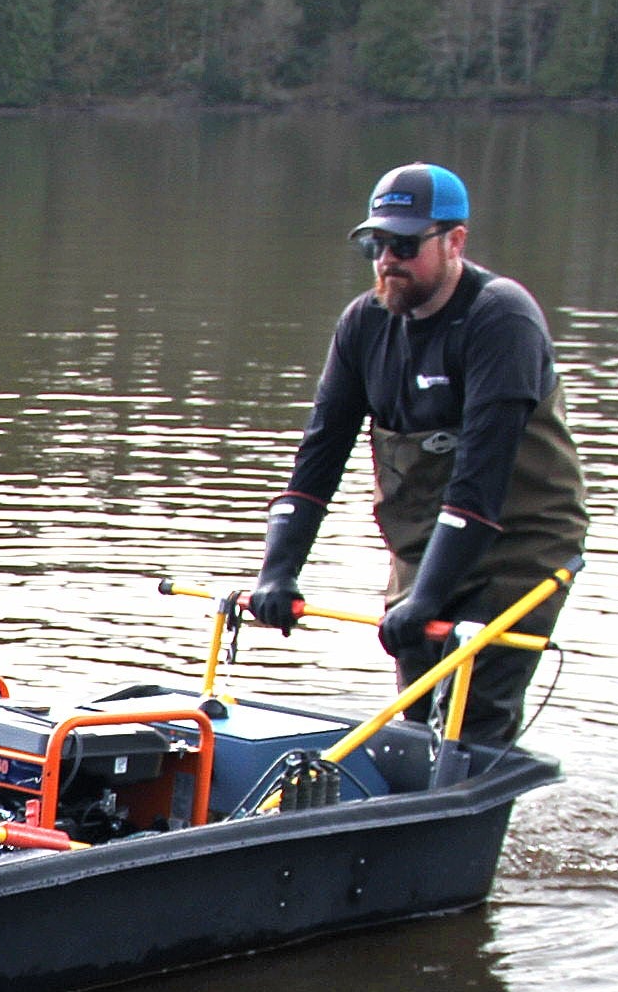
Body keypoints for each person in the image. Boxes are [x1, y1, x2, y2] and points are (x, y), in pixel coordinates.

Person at [247, 162, 587, 748]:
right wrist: (278, 570)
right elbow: (318, 458)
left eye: (405, 244)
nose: (387, 260)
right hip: (422, 542)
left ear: (455, 241)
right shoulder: (364, 325)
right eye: (374, 244)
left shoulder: (501, 319)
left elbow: (480, 481)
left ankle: (468, 815)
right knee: (418, 714)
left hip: (517, 544)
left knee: (470, 721)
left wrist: (428, 601)